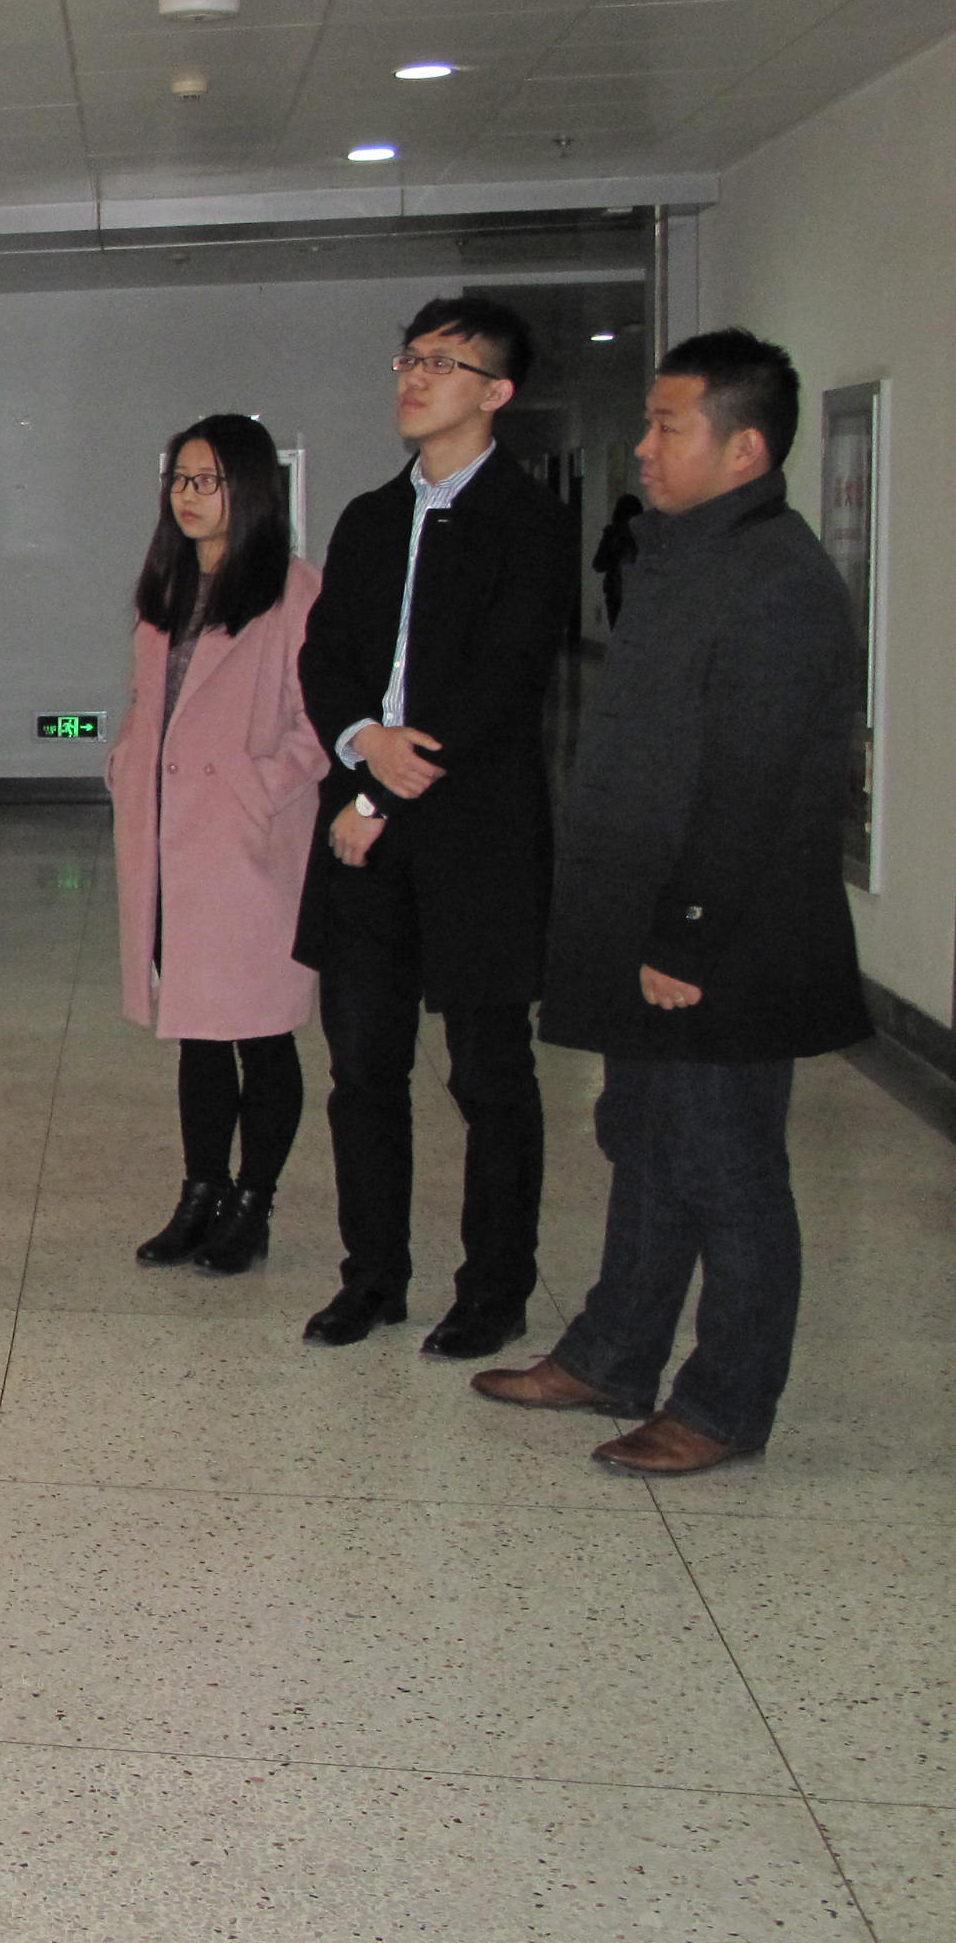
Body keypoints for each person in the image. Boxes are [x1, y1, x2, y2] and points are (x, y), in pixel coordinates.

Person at [476, 329, 868, 1474]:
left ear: (745, 449)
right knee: (644, 1141)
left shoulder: (780, 581)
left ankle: (726, 1405)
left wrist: (686, 937)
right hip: (645, 921)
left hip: (722, 939)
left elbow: (755, 785)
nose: (643, 447)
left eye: (666, 426)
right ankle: (612, 1353)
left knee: (726, 1169)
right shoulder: (684, 554)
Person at [292, 296, 578, 1358]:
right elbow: (325, 655)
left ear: (496, 392)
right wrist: (359, 741)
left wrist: (377, 793)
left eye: (444, 364)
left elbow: (502, 679)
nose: (415, 378)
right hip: (362, 830)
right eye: (409, 358)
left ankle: (494, 1290)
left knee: (488, 1076)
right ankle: (372, 1277)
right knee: (363, 1068)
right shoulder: (370, 517)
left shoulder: (531, 520)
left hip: (474, 837)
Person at [107, 415, 329, 1275]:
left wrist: (259, 787)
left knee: (261, 1030)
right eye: (180, 480)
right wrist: (126, 761)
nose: (189, 496)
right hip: (171, 839)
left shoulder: (294, 590)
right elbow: (147, 700)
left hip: (248, 847)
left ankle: (253, 1202)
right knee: (195, 1027)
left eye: (209, 480)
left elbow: (321, 720)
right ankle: (200, 1190)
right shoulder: (165, 588)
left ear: (252, 489)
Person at [594, 492, 644, 628]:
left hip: (625, 593)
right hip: (623, 593)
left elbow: (598, 564)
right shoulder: (614, 534)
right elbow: (598, 564)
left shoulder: (614, 533)